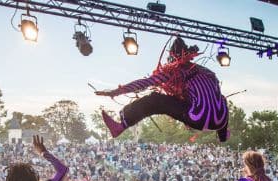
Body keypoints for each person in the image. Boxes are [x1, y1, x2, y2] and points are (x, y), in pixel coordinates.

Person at [95, 36, 230, 142]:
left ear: (173, 57)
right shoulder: (208, 72)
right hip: (221, 120)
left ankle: (121, 126)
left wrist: (117, 91)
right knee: (221, 99)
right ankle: (223, 134)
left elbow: (145, 82)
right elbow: (216, 97)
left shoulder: (177, 71)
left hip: (197, 117)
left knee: (155, 100)